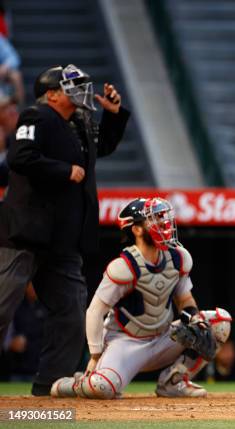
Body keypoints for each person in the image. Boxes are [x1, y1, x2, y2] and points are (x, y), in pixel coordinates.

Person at [0, 64, 131, 396]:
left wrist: (113, 116)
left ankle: (50, 387)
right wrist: (62, 171)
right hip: (24, 235)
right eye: (71, 85)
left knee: (72, 314)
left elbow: (100, 150)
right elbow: (20, 156)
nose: (80, 90)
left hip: (63, 239)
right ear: (52, 94)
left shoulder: (81, 122)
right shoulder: (36, 116)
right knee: (1, 306)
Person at [50, 197, 233, 399]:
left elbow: (185, 300)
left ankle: (174, 381)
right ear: (136, 229)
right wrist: (95, 356)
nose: (163, 222)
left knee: (219, 322)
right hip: (126, 343)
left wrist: (194, 319)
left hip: (165, 336)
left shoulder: (178, 257)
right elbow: (94, 312)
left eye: (161, 217)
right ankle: (71, 385)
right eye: (153, 218)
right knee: (101, 387)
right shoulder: (123, 267)